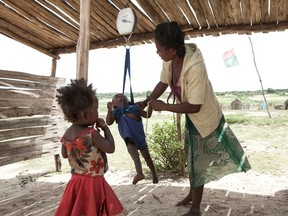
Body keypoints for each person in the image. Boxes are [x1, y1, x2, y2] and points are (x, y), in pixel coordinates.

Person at [141, 21, 251, 216]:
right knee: (192, 156)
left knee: (198, 161)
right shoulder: (169, 60)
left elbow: (195, 105)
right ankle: (193, 196)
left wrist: (164, 107)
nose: (156, 52)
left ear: (172, 49)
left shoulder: (195, 67)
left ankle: (195, 208)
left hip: (204, 116)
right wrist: (148, 100)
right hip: (192, 116)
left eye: (158, 48)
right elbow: (163, 82)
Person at [55, 78, 124, 216]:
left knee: (80, 210)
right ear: (85, 114)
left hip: (76, 182)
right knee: (92, 209)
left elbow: (64, 154)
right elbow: (110, 148)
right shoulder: (91, 134)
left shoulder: (67, 134)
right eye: (96, 110)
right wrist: (105, 128)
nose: (98, 113)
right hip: (93, 183)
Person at [106, 93, 158, 185]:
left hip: (140, 136)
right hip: (128, 138)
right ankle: (139, 173)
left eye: (122, 95)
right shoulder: (116, 112)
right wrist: (109, 111)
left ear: (128, 101)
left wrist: (150, 107)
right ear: (114, 105)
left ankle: (154, 174)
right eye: (116, 96)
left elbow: (147, 115)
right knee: (135, 156)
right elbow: (109, 122)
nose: (119, 95)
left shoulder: (135, 108)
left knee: (147, 156)